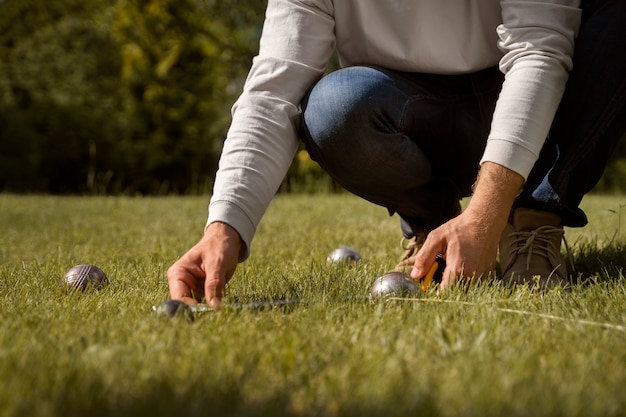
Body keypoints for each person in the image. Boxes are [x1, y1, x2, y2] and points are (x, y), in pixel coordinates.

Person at [168, 0, 626, 308]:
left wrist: (488, 212)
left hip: (538, 99)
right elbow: (274, 91)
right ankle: (432, 230)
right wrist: (224, 226)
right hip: (416, 108)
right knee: (333, 106)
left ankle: (532, 220)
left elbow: (540, 49)